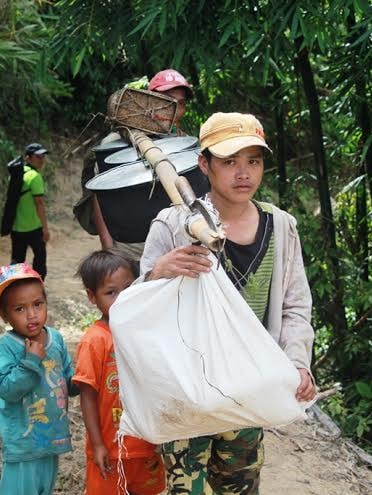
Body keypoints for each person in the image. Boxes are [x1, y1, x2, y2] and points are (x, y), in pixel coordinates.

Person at [138, 112, 316, 494]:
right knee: (187, 489)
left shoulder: (281, 226)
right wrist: (159, 272)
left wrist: (298, 361)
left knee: (239, 486)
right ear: (204, 164)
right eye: (229, 161)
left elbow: (295, 306)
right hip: (187, 391)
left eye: (253, 161)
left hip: (247, 389)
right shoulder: (174, 224)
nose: (243, 173)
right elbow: (137, 303)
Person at [73, 69, 194, 259]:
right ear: (148, 100)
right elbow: (100, 198)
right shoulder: (116, 143)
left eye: (180, 104)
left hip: (175, 247)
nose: (174, 110)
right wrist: (109, 249)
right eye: (167, 101)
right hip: (132, 249)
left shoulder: (185, 144)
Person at [73, 250, 166, 495]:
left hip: (147, 446)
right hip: (111, 450)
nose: (122, 298)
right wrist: (97, 445)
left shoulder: (144, 333)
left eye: (127, 288)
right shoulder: (95, 341)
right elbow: (87, 396)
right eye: (111, 292)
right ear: (92, 296)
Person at [0, 262, 78, 495]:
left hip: (51, 439)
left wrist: (83, 379)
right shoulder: (7, 345)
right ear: (4, 314)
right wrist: (29, 362)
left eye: (37, 304)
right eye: (19, 309)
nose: (31, 315)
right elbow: (6, 389)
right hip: (22, 443)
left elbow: (66, 381)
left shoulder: (56, 339)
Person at [0, 143, 50, 279]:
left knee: (16, 263)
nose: (42, 160)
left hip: (17, 228)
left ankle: (13, 289)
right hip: (34, 227)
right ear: (28, 158)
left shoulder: (15, 175)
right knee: (40, 261)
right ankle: (37, 288)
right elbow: (39, 204)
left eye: (43, 156)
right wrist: (45, 228)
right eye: (38, 156)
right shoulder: (34, 176)